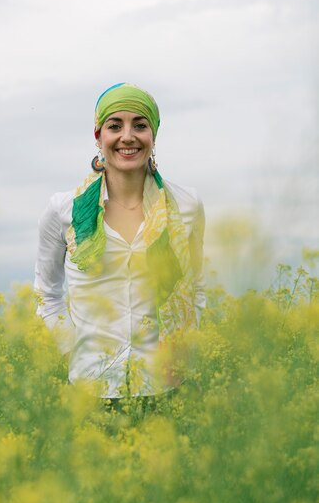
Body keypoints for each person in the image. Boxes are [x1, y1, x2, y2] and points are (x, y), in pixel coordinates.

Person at [34, 83, 205, 401]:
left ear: (153, 136)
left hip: (167, 388)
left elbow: (196, 290)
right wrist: (73, 352)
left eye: (140, 125)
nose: (128, 136)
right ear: (98, 137)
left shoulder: (186, 206)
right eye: (115, 126)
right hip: (91, 392)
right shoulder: (62, 210)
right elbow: (47, 295)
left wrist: (181, 354)